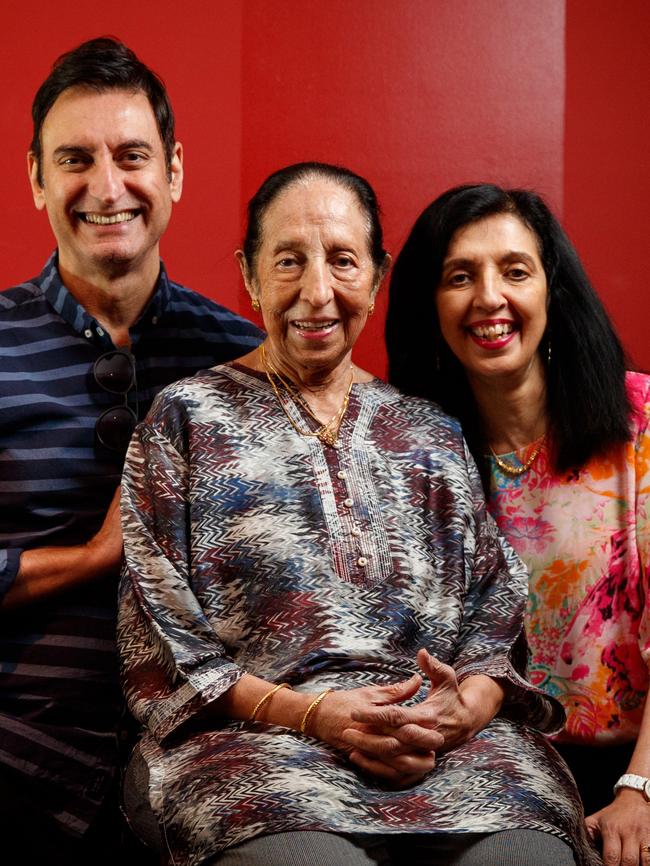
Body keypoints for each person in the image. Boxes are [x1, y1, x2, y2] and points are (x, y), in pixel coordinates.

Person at [118, 162, 598, 866]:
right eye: (289, 261)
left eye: (343, 260)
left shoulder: (429, 431)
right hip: (258, 749)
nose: (318, 292)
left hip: (453, 755)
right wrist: (314, 713)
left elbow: (493, 608)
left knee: (527, 855)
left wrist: (471, 701)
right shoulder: (185, 419)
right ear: (249, 275)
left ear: (377, 275)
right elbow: (164, 647)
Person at [0, 37, 262, 863]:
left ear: (174, 171)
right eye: (74, 158)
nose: (106, 187)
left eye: (133, 155)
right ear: (37, 177)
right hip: (17, 757)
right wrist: (92, 557)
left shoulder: (245, 360)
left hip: (209, 758)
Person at [386, 182, 650, 866]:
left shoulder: (641, 426)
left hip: (636, 760)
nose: (489, 299)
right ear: (430, 304)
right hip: (488, 774)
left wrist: (639, 790)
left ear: (550, 289)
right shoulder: (411, 456)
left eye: (515, 270)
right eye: (459, 277)